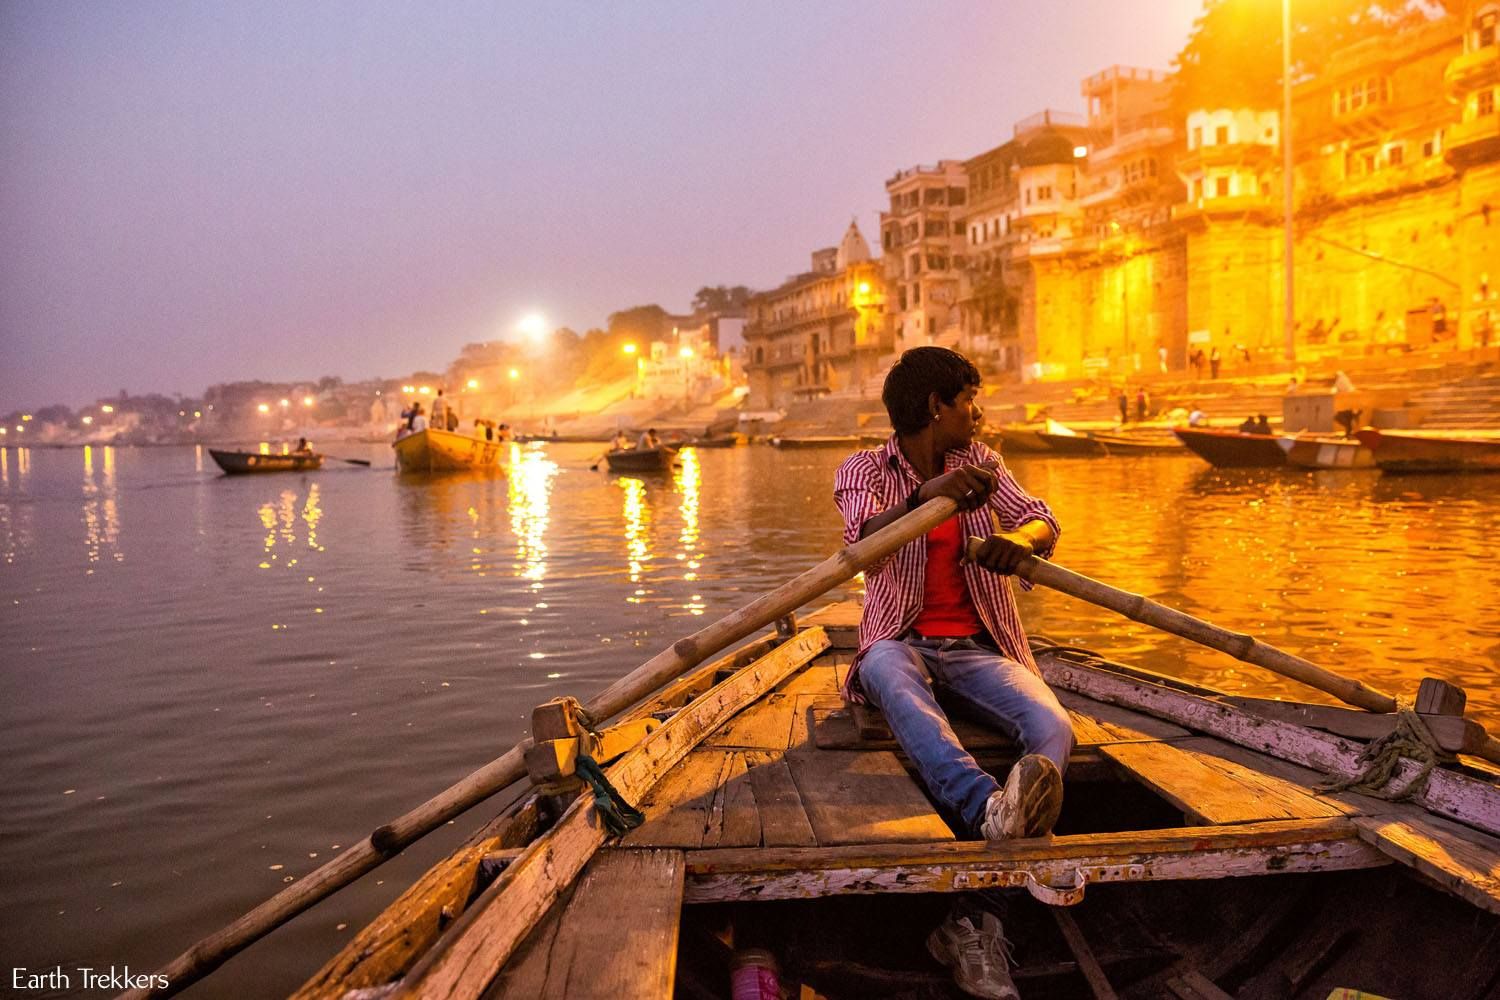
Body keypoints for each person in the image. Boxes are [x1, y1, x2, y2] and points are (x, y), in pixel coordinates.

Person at [834, 347, 1071, 1000]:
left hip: (976, 647)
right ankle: (986, 811)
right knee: (886, 671)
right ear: (937, 407)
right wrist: (924, 496)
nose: (979, 412)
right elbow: (860, 540)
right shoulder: (864, 469)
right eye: (970, 400)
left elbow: (1040, 519)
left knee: (1052, 724)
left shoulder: (982, 463)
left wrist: (1016, 542)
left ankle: (979, 913)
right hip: (899, 640)